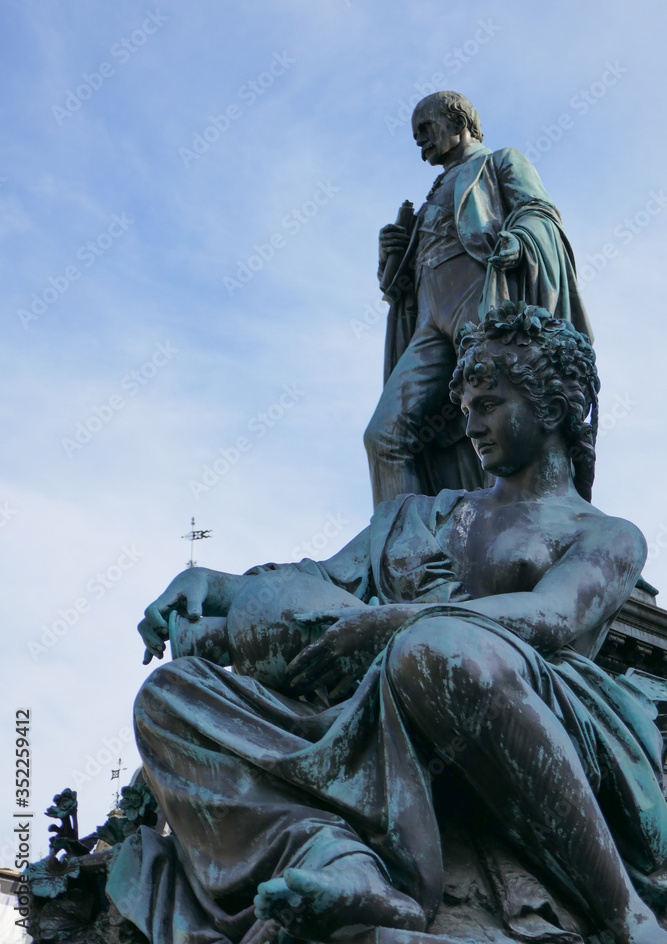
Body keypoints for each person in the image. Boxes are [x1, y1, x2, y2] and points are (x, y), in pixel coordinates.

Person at [110, 304, 667, 944]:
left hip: (529, 705)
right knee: (169, 697)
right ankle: (341, 861)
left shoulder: (606, 535)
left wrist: (386, 625)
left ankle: (624, 911)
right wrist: (212, 585)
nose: (472, 425)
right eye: (466, 409)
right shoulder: (419, 517)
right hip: (373, 709)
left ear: (553, 406)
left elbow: (550, 616)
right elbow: (319, 580)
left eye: (489, 404)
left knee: (436, 648)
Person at [364, 91, 593, 506]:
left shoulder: (499, 161)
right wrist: (394, 253)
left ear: (457, 121)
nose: (420, 141)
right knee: (384, 434)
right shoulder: (430, 195)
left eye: (425, 129)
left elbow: (539, 212)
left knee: (501, 425)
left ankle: (509, 531)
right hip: (429, 323)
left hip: (483, 309)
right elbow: (400, 286)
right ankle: (402, 552)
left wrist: (521, 240)